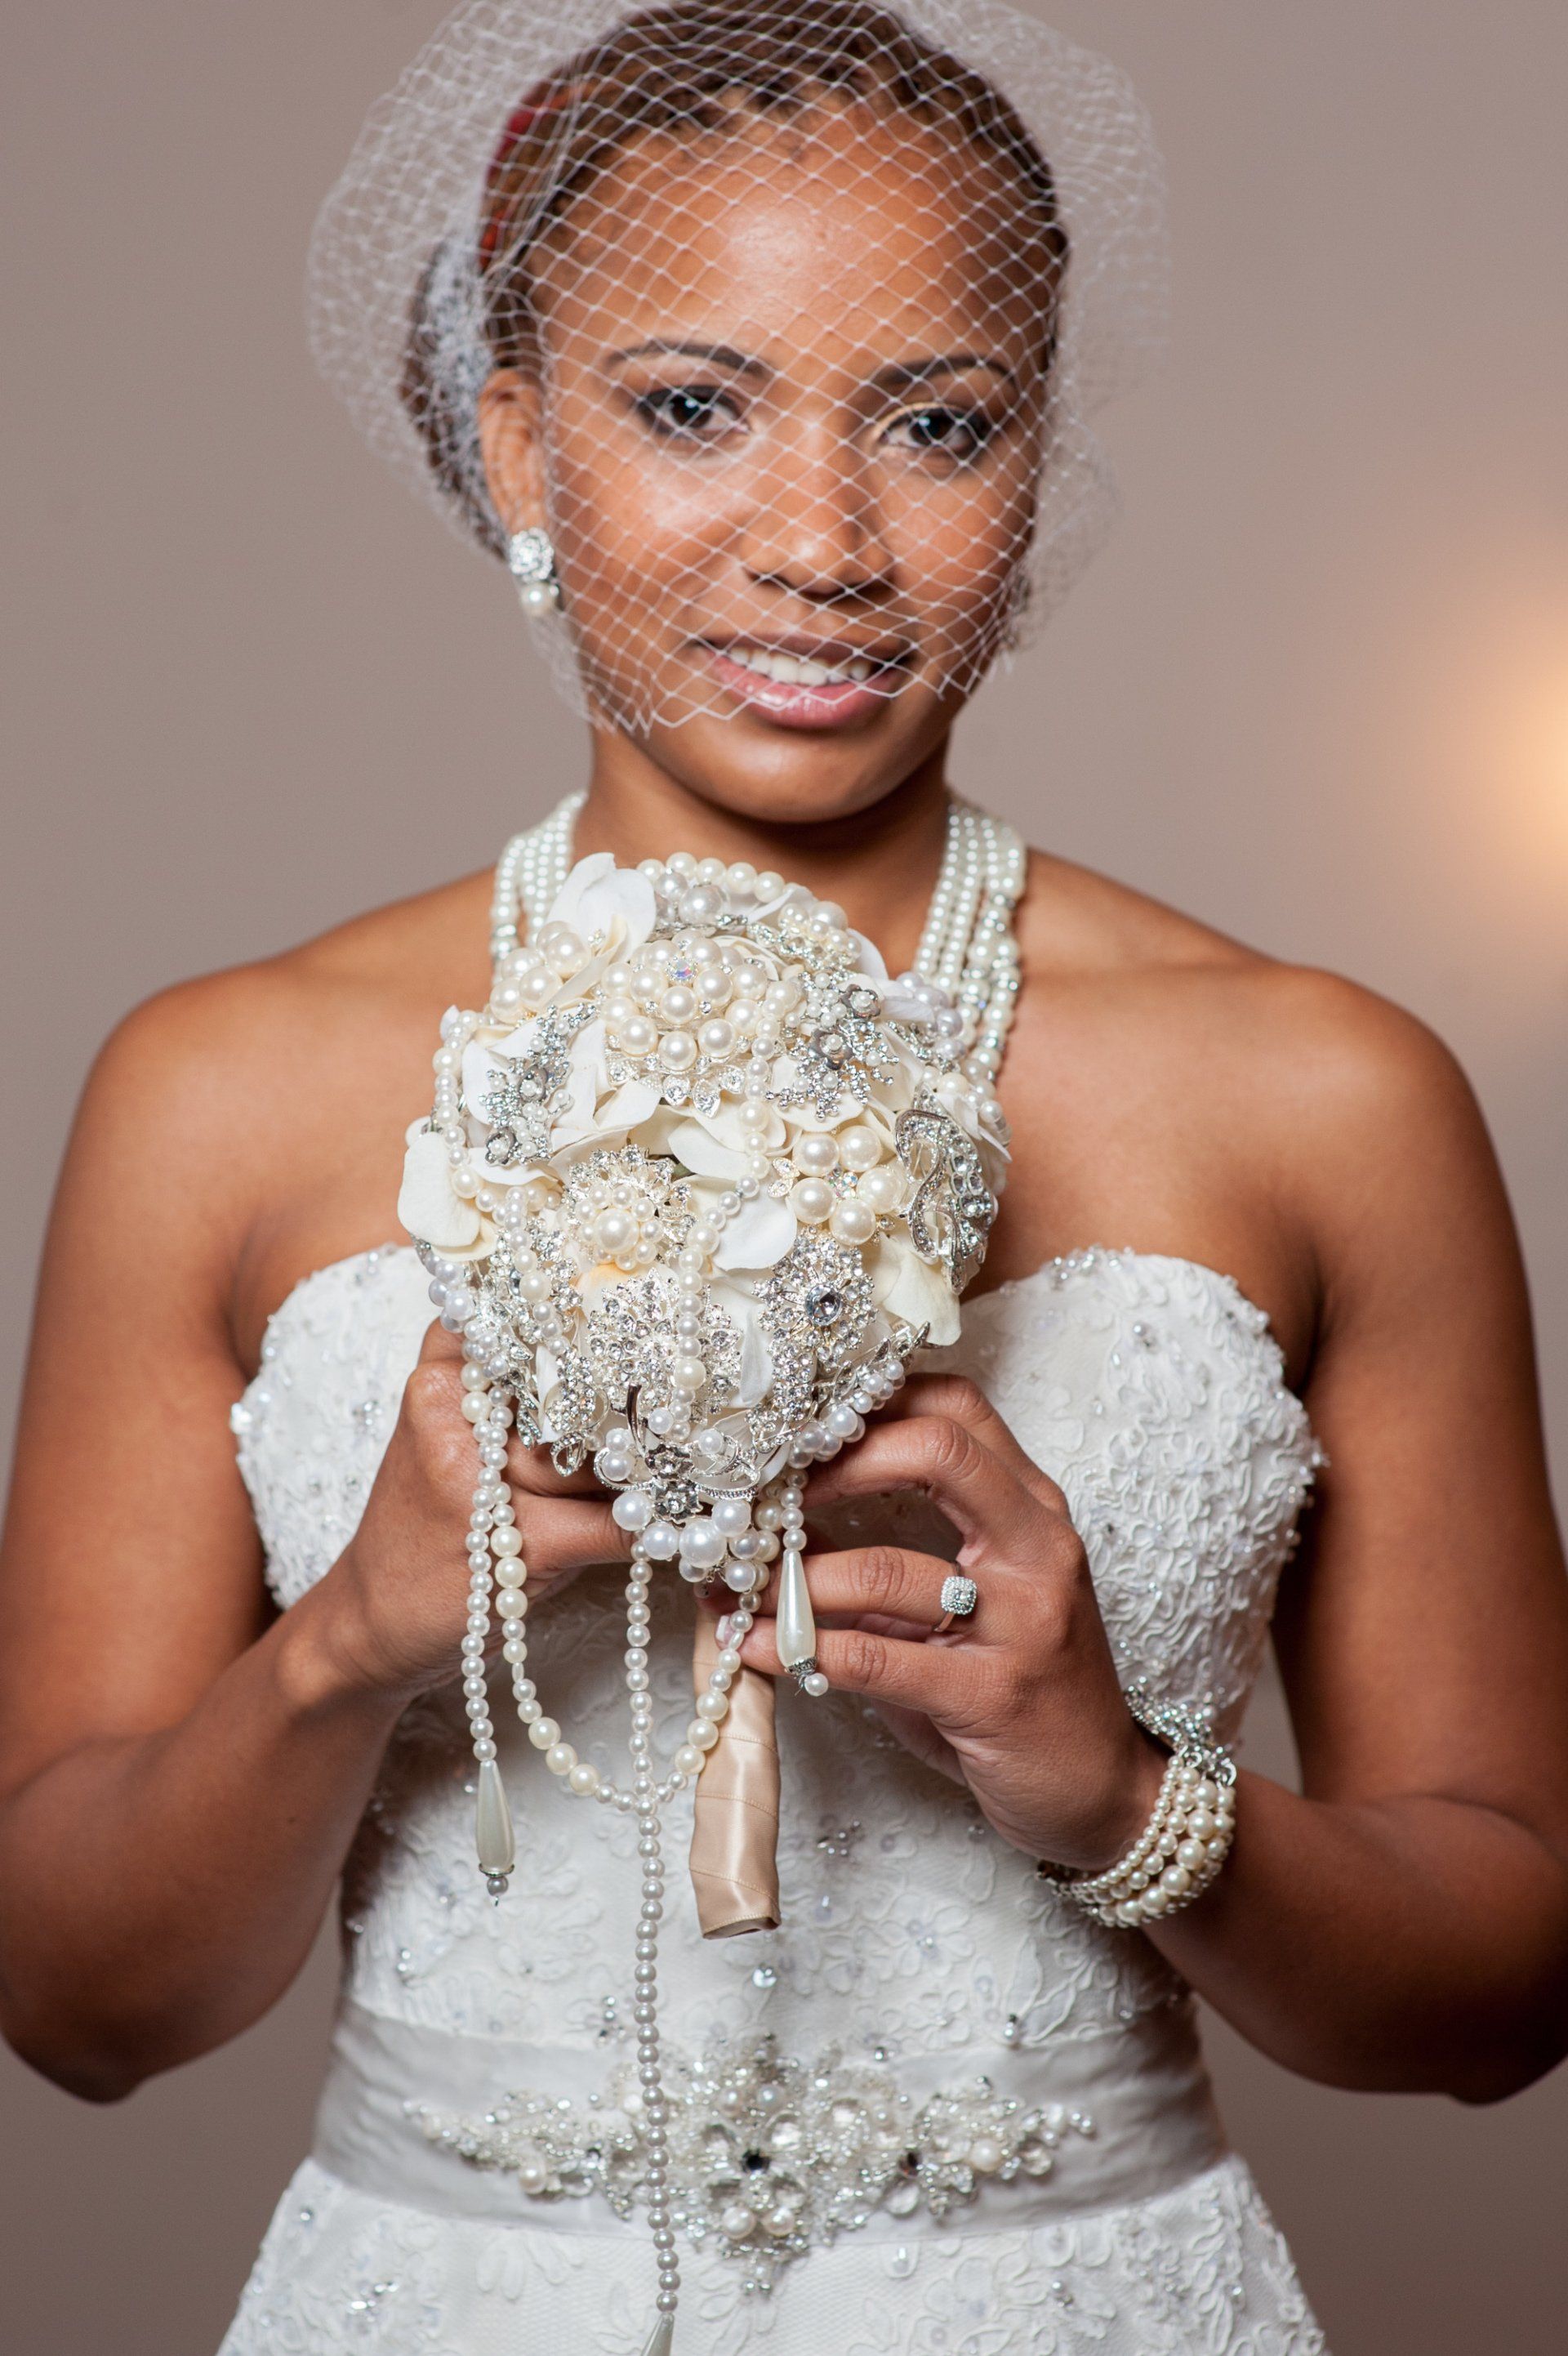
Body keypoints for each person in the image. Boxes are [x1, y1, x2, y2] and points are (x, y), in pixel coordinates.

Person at [3, 3, 1566, 2349]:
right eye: (691, 405)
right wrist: (349, 1639)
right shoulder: (217, 1092)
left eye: (937, 422)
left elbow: (1502, 1992)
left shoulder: (1326, 1095)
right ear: (516, 433)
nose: (825, 541)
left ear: (1033, 465)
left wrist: (1124, 1793)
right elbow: (77, 2009)